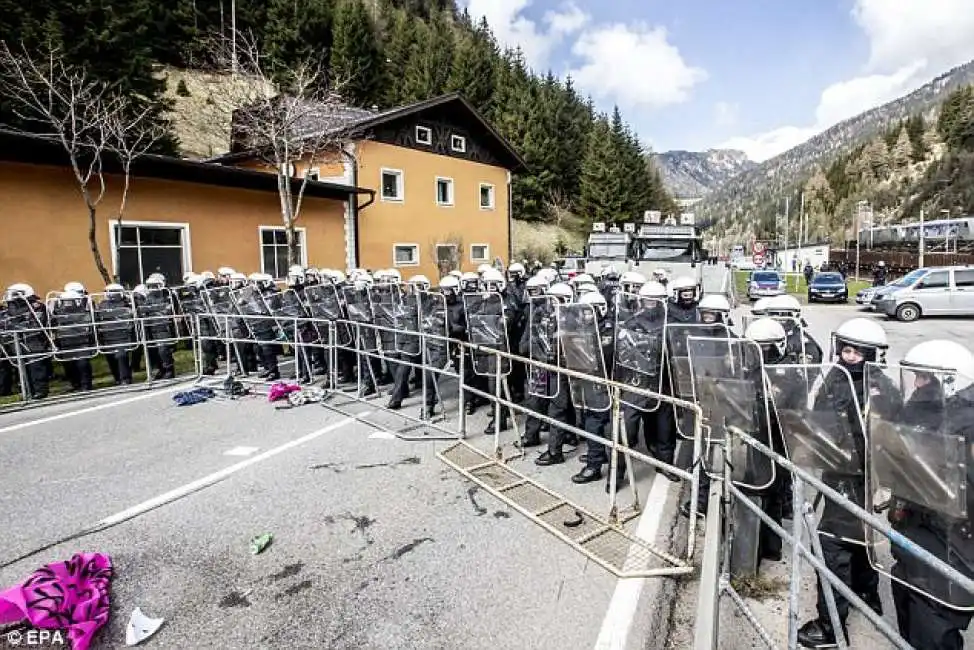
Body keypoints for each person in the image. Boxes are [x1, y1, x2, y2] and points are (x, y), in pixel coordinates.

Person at [798, 317, 900, 649]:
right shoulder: (835, 377)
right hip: (837, 470)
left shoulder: (881, 389)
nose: (848, 355)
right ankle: (867, 596)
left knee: (831, 547)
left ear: (872, 354)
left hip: (859, 479)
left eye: (857, 351)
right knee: (860, 538)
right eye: (845, 348)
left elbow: (889, 439)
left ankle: (830, 629)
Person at [886, 340, 974, 650]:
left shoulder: (967, 424)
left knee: (934, 626)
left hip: (951, 544)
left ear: (948, 382)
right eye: (917, 377)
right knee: (908, 608)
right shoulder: (918, 408)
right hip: (912, 532)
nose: (918, 384)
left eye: (925, 378)